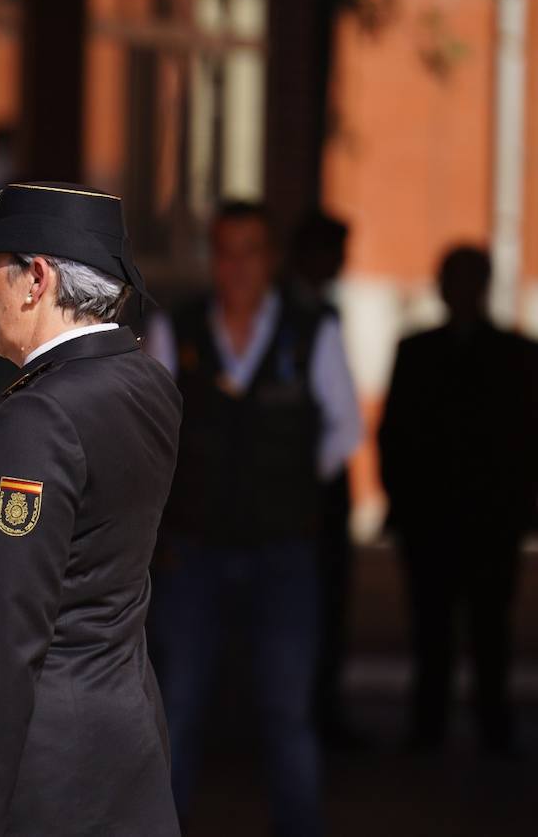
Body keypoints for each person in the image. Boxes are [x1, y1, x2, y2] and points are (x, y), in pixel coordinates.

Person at [0, 182, 183, 836]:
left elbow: (3, 642)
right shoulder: (144, 380)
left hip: (43, 776)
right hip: (127, 743)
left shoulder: (38, 418)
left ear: (37, 279)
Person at [144, 201, 361, 837]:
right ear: (214, 257)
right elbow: (152, 431)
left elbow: (345, 427)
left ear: (270, 259)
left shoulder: (311, 327)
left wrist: (287, 484)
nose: (238, 266)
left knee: (288, 712)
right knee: (176, 704)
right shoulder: (177, 328)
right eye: (226, 250)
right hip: (193, 547)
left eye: (251, 251)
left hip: (284, 549)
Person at [378, 245, 538, 756]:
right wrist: (401, 502)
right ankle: (432, 727)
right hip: (433, 520)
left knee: (490, 630)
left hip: (491, 519)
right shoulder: (419, 351)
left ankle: (491, 727)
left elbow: (526, 440)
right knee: (432, 631)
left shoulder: (517, 355)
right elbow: (395, 436)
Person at [286, 210, 362, 749]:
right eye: (333, 252)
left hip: (319, 489)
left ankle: (320, 710)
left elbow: (346, 425)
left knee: (329, 605)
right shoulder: (290, 315)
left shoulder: (323, 313)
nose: (340, 263)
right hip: (291, 488)